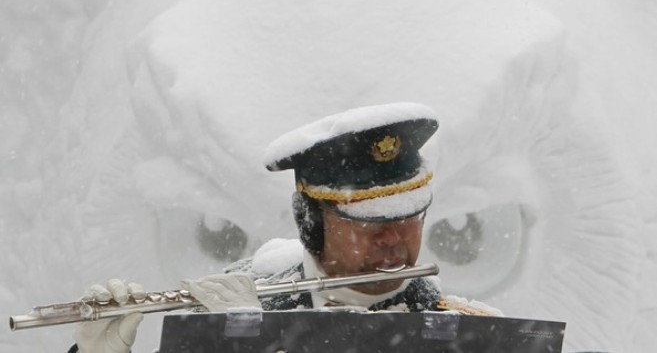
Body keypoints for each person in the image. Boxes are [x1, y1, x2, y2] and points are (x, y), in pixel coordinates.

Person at [70, 102, 501, 353]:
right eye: (369, 222)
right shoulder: (235, 296)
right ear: (311, 219)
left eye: (409, 217)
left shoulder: (467, 336)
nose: (393, 238)